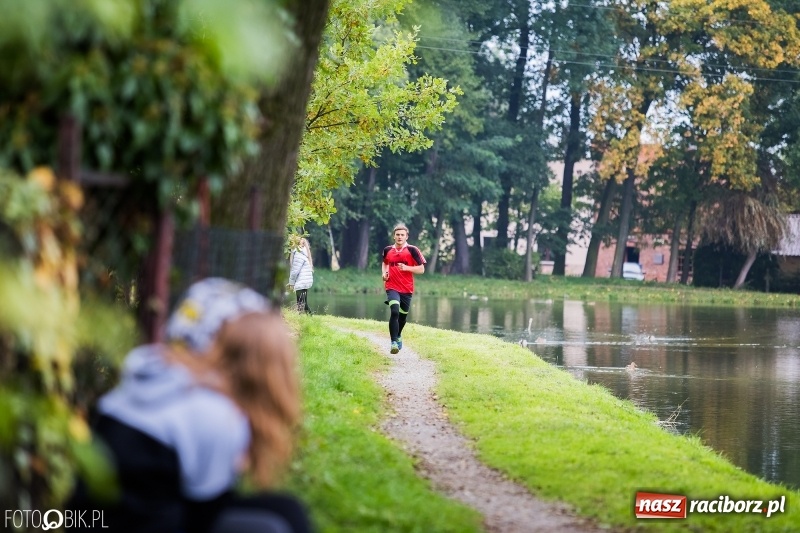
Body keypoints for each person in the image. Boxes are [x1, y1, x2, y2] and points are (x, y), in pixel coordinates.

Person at [69, 278, 311, 533]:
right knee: (277, 525)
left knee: (285, 509)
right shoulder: (216, 416)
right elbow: (202, 520)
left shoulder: (148, 373)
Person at [382, 224, 426, 354]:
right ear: (394, 236)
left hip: (407, 289)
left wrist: (407, 268)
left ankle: (399, 334)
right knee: (394, 312)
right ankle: (393, 342)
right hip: (392, 286)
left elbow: (422, 269)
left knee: (402, 317)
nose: (400, 237)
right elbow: (385, 263)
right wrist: (384, 274)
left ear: (406, 236)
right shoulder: (387, 250)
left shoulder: (413, 250)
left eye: (402, 235)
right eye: (397, 234)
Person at [289, 238, 314, 314]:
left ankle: (304, 316)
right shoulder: (305, 253)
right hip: (305, 281)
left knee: (300, 301)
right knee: (303, 301)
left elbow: (295, 270)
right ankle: (307, 316)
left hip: (301, 280)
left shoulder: (298, 254)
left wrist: (291, 283)